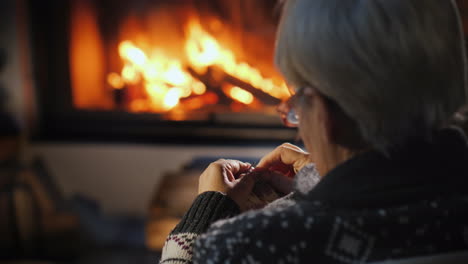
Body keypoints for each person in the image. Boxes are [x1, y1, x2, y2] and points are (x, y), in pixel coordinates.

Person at [160, 0, 468, 263]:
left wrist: (205, 213)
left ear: (322, 115)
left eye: (295, 104)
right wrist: (321, 182)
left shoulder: (247, 245)